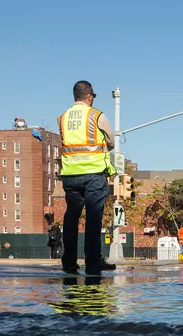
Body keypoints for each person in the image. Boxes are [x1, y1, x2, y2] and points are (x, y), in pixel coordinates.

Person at [58, 80, 117, 275]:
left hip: (70, 176)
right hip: (93, 175)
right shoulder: (96, 116)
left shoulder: (63, 118)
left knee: (71, 217)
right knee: (93, 218)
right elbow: (111, 141)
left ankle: (69, 263)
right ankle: (92, 262)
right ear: (90, 96)